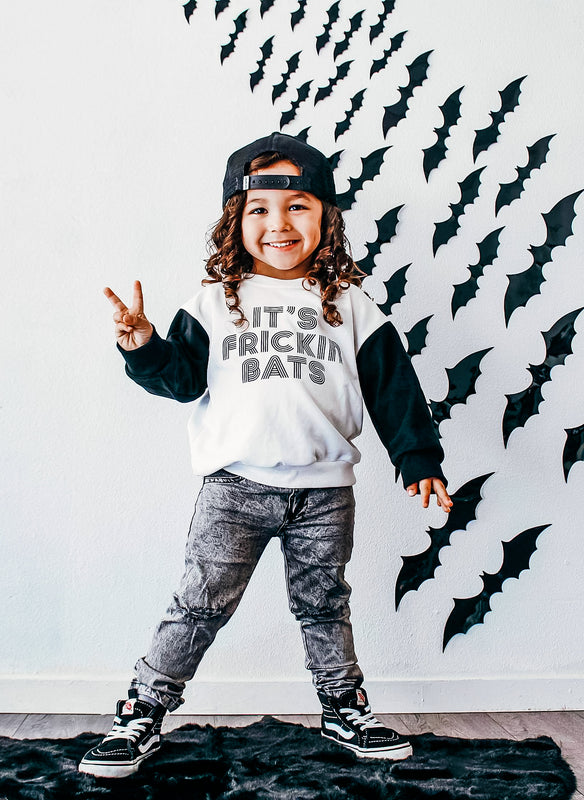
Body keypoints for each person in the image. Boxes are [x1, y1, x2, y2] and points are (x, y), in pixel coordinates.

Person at [79, 132, 452, 779]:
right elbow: (181, 380)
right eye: (260, 209)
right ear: (235, 220)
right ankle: (142, 711)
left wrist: (418, 459)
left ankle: (343, 709)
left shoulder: (351, 305)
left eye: (297, 206)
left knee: (324, 605)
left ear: (326, 217)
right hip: (234, 489)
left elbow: (394, 387)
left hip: (325, 492)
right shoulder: (213, 302)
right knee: (199, 604)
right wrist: (143, 346)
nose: (279, 223)